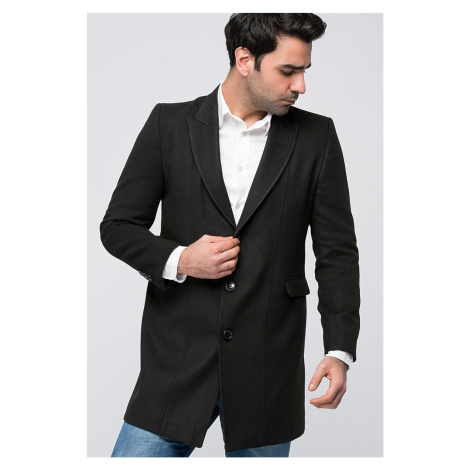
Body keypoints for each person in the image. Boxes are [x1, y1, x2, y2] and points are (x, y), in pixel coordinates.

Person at [100, 13, 360, 458]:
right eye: (288, 71)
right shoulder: (168, 124)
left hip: (267, 366)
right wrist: (181, 259)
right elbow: (118, 227)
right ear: (244, 60)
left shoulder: (317, 137)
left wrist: (340, 350)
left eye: (304, 71)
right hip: (176, 361)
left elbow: (337, 253)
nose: (300, 86)